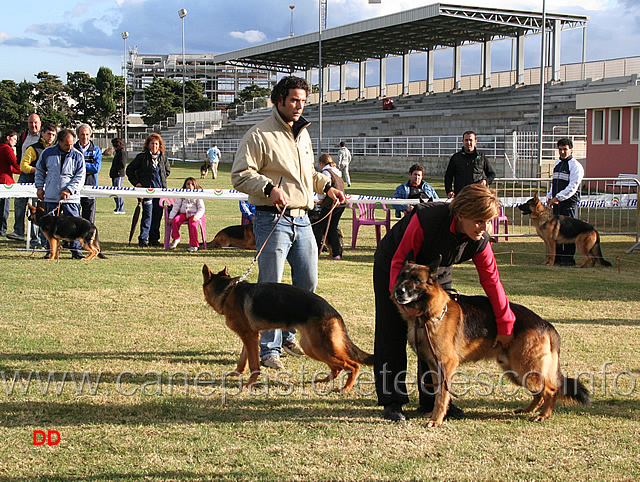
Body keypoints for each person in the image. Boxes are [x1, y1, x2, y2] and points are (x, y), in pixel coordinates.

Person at [373, 184, 515, 422]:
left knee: (436, 335)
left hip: (436, 270)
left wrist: (505, 323)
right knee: (393, 331)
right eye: (480, 221)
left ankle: (432, 400)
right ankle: (392, 401)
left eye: (488, 221)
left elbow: (492, 281)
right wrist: (403, 304)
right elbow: (399, 261)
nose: (485, 227)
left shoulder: (479, 240)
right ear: (461, 214)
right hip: (397, 267)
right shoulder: (426, 219)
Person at [232, 75, 346, 370]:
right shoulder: (258, 135)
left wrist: (326, 187)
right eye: (294, 100)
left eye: (303, 101)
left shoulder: (303, 134)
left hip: (303, 220)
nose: (299, 106)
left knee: (308, 283)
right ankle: (269, 350)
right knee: (269, 288)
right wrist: (269, 189)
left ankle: (287, 337)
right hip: (272, 219)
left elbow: (307, 173)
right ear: (279, 100)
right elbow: (240, 175)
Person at [34, 128, 86, 259]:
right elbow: (39, 171)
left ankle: (76, 251)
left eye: (72, 144)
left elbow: (80, 176)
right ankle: (50, 251)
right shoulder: (47, 153)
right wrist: (39, 187)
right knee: (48, 227)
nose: (70, 147)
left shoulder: (78, 155)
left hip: (71, 199)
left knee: (75, 226)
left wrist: (69, 190)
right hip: (51, 197)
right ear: (59, 141)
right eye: (66, 144)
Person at [13, 123, 58, 248]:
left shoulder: (57, 148)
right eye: (49, 134)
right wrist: (37, 170)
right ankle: (35, 240)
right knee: (35, 213)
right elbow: (23, 166)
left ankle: (46, 240)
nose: (51, 137)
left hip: (50, 186)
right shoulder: (33, 148)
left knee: (47, 214)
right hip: (33, 183)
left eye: (53, 135)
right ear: (42, 133)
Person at [126, 133, 170, 247]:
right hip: (147, 191)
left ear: (159, 145)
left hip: (160, 192)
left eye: (156, 144)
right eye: (152, 144)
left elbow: (167, 171)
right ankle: (143, 239)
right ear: (148, 145)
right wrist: (137, 183)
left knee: (157, 215)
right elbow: (129, 169)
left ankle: (154, 239)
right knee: (147, 215)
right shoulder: (142, 157)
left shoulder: (163, 158)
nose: (154, 146)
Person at [546, 138, 584, 266]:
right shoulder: (557, 164)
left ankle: (568, 258)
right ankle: (557, 257)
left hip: (568, 204)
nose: (562, 152)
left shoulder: (575, 166)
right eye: (560, 149)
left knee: (568, 231)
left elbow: (573, 187)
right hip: (557, 203)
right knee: (556, 231)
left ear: (571, 150)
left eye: (565, 149)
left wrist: (558, 197)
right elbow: (554, 184)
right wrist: (550, 196)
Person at [6, 113, 43, 242]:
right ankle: (19, 232)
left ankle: (35, 237)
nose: (33, 125)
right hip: (24, 175)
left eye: (35, 123)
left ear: (40, 123)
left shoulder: (44, 137)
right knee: (19, 203)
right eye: (30, 123)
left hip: (38, 176)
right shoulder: (23, 136)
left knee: (34, 206)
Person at [313, 153, 346, 260]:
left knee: (319, 228)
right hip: (341, 204)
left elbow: (323, 189)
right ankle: (336, 253)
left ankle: (315, 252)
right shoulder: (337, 172)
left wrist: (320, 200)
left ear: (321, 163)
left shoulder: (326, 173)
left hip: (330, 204)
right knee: (332, 228)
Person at [444, 131, 496, 198]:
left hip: (477, 195)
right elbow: (448, 176)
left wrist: (485, 181)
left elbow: (492, 174)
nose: (468, 143)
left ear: (475, 141)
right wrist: (449, 191)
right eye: (466, 140)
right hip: (461, 196)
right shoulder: (456, 157)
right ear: (463, 141)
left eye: (471, 140)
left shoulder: (481, 157)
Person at [168, 177, 206, 252]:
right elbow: (176, 206)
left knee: (193, 225)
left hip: (194, 215)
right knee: (175, 221)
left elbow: (201, 208)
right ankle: (176, 238)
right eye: (188, 184)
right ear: (185, 185)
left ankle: (194, 245)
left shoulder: (198, 195)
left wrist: (197, 217)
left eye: (192, 184)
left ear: (195, 185)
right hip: (184, 214)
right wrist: (171, 217)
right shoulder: (182, 194)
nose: (190, 186)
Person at [74, 124, 102, 223]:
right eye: (82, 134)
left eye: (87, 134)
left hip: (91, 186)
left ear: (90, 135)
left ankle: (88, 238)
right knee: (74, 217)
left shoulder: (96, 150)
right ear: (78, 135)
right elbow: (70, 168)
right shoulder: (72, 149)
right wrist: (88, 165)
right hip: (74, 187)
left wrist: (79, 164)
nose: (85, 137)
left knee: (89, 219)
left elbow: (96, 168)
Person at [0, 130, 21, 237]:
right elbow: (15, 164)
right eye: (14, 139)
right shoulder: (7, 149)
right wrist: (26, 169)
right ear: (8, 138)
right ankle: (2, 230)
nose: (15, 142)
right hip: (5, 181)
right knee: (4, 208)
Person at [109, 138, 126, 214]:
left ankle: (120, 209)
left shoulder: (122, 153)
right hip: (114, 175)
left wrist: (116, 170)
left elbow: (122, 164)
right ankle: (117, 207)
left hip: (119, 175)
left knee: (118, 191)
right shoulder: (117, 153)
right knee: (115, 192)